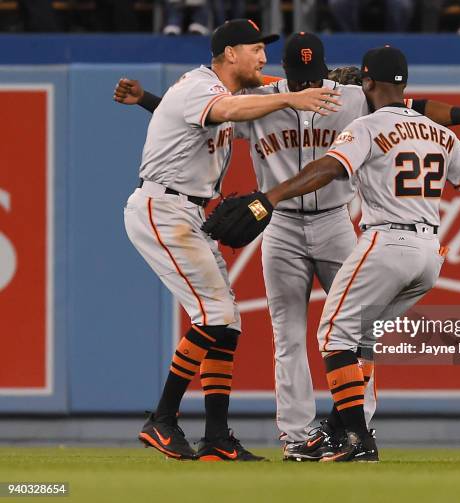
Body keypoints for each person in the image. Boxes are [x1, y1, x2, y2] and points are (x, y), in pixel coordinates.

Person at [114, 32, 460, 461]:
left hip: (337, 222)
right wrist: (150, 99)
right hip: (278, 225)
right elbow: (201, 116)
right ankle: (297, 438)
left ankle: (354, 427)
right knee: (289, 338)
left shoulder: (352, 97)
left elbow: (415, 111)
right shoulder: (260, 98)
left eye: (311, 77)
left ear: (324, 70)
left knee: (358, 331)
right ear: (285, 74)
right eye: (298, 79)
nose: (305, 87)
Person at [257, 45, 460, 461]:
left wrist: (270, 196)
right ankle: (344, 428)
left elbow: (328, 168)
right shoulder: (440, 133)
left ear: (366, 83)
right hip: (430, 256)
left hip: (387, 242)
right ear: (405, 86)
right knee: (361, 338)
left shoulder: (366, 125)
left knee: (333, 335)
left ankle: (357, 439)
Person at [122, 18, 341, 462]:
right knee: (215, 315)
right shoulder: (201, 88)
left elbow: (219, 107)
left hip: (187, 209)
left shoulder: (227, 90)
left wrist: (327, 82)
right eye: (255, 49)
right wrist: (294, 96)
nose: (262, 57)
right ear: (229, 55)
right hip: (161, 209)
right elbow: (227, 112)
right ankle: (162, 419)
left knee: (227, 325)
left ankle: (217, 438)